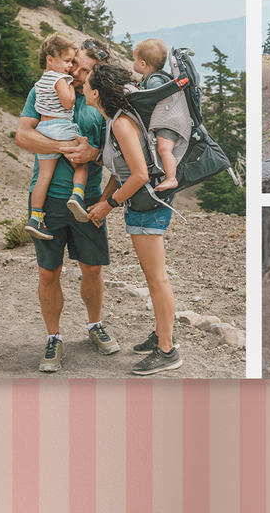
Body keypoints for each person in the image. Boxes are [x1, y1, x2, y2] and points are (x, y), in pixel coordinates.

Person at [14, 38, 121, 373]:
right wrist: (62, 145)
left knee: (92, 269)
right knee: (49, 273)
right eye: (74, 64)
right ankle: (53, 338)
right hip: (46, 202)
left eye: (84, 68)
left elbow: (121, 159)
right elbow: (22, 136)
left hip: (87, 201)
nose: (75, 71)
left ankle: (94, 325)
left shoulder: (100, 103)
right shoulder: (45, 90)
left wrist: (102, 190)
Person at [83, 62, 183, 376]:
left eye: (86, 83)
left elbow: (139, 175)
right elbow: (122, 171)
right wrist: (103, 203)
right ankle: (161, 334)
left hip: (148, 205)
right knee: (156, 278)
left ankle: (167, 350)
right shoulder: (117, 120)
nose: (81, 86)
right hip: (143, 203)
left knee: (157, 279)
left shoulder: (121, 124)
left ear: (96, 93)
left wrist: (107, 205)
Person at [24, 34, 91, 240]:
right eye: (67, 61)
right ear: (50, 59)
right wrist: (70, 84)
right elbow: (68, 103)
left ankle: (35, 218)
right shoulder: (61, 78)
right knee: (80, 161)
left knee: (43, 178)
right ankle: (77, 196)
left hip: (43, 128)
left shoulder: (39, 83)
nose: (70, 66)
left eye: (72, 62)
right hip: (62, 127)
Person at [132, 38, 186, 192]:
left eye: (134, 59)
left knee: (164, 149)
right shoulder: (151, 77)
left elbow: (158, 97)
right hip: (166, 120)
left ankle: (171, 178)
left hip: (168, 124)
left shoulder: (155, 81)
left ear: (143, 64)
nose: (132, 62)